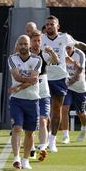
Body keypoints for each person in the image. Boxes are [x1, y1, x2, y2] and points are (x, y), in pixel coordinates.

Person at [42, 15, 86, 153]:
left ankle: (52, 141)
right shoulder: (42, 38)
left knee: (57, 110)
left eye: (52, 24)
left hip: (60, 79)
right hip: (44, 78)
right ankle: (44, 139)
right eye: (47, 24)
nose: (49, 26)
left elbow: (78, 43)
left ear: (58, 26)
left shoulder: (64, 37)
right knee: (44, 112)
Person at [8, 35, 41, 170]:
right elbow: (17, 76)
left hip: (33, 100)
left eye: (25, 44)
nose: (23, 46)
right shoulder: (12, 58)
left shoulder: (37, 59)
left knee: (30, 132)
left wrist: (19, 87)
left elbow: (34, 80)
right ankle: (16, 158)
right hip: (16, 100)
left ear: (30, 45)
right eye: (20, 44)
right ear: (17, 46)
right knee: (17, 128)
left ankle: (26, 159)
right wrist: (29, 80)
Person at [29, 30, 58, 161]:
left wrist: (51, 51)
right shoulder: (25, 55)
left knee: (43, 120)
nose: (37, 43)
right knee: (31, 123)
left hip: (43, 92)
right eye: (34, 40)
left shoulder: (44, 54)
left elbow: (56, 61)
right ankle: (31, 148)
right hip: (29, 93)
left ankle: (42, 148)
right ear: (30, 41)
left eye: (39, 40)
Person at [60, 45, 86, 144]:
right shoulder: (61, 53)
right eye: (65, 48)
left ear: (73, 47)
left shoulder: (80, 54)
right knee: (64, 108)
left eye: (69, 48)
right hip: (67, 87)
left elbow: (80, 72)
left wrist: (69, 82)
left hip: (79, 87)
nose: (67, 50)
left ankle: (84, 128)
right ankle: (65, 136)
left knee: (80, 113)